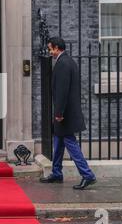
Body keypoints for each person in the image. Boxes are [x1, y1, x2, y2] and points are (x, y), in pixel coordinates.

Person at [40, 37, 97, 190]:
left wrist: (58, 112)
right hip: (66, 112)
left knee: (70, 143)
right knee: (58, 142)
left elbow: (62, 91)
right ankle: (57, 172)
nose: (50, 52)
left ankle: (87, 175)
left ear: (57, 48)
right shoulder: (68, 61)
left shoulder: (63, 64)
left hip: (65, 114)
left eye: (51, 49)